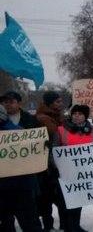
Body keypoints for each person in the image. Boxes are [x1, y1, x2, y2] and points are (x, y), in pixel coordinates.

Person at [0, 91, 43, 232]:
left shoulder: (30, 120)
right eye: (5, 102)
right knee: (5, 220)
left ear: (19, 103)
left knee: (29, 218)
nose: (7, 104)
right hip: (3, 181)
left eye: (11, 101)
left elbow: (41, 142)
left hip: (24, 179)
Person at [58, 104, 93, 232]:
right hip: (66, 172)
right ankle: (68, 227)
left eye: (80, 114)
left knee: (79, 200)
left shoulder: (91, 131)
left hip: (84, 172)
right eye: (74, 113)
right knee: (67, 202)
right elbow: (54, 151)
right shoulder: (62, 129)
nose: (77, 116)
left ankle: (75, 225)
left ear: (85, 116)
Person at [35, 91, 67, 231]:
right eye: (57, 101)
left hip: (57, 162)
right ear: (50, 103)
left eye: (61, 101)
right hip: (47, 165)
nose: (60, 104)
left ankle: (63, 224)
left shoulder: (57, 116)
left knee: (60, 196)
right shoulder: (43, 118)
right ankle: (48, 225)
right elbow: (58, 133)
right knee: (48, 196)